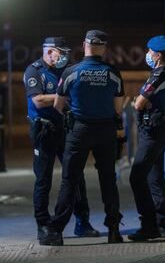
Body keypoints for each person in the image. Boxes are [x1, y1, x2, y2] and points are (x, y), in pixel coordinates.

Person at [39, 30, 125, 246]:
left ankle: (56, 231)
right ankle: (114, 230)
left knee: (70, 180)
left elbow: (58, 106)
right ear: (104, 48)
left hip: (79, 131)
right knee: (108, 180)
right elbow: (118, 108)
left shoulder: (71, 72)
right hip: (105, 131)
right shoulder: (113, 72)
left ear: (85, 45)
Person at [23, 37, 99, 245]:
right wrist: (62, 95)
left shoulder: (64, 71)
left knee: (76, 177)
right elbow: (37, 101)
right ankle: (43, 225)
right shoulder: (34, 71)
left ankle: (82, 222)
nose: (64, 56)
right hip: (44, 132)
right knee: (43, 180)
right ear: (49, 51)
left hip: (64, 130)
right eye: (60, 52)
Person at [128, 35, 165, 241]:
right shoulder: (163, 74)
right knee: (155, 178)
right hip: (157, 131)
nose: (147, 54)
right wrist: (144, 102)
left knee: (137, 177)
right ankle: (160, 225)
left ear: (157, 54)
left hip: (152, 133)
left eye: (149, 51)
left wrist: (141, 103)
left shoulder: (158, 75)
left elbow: (138, 104)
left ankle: (149, 226)